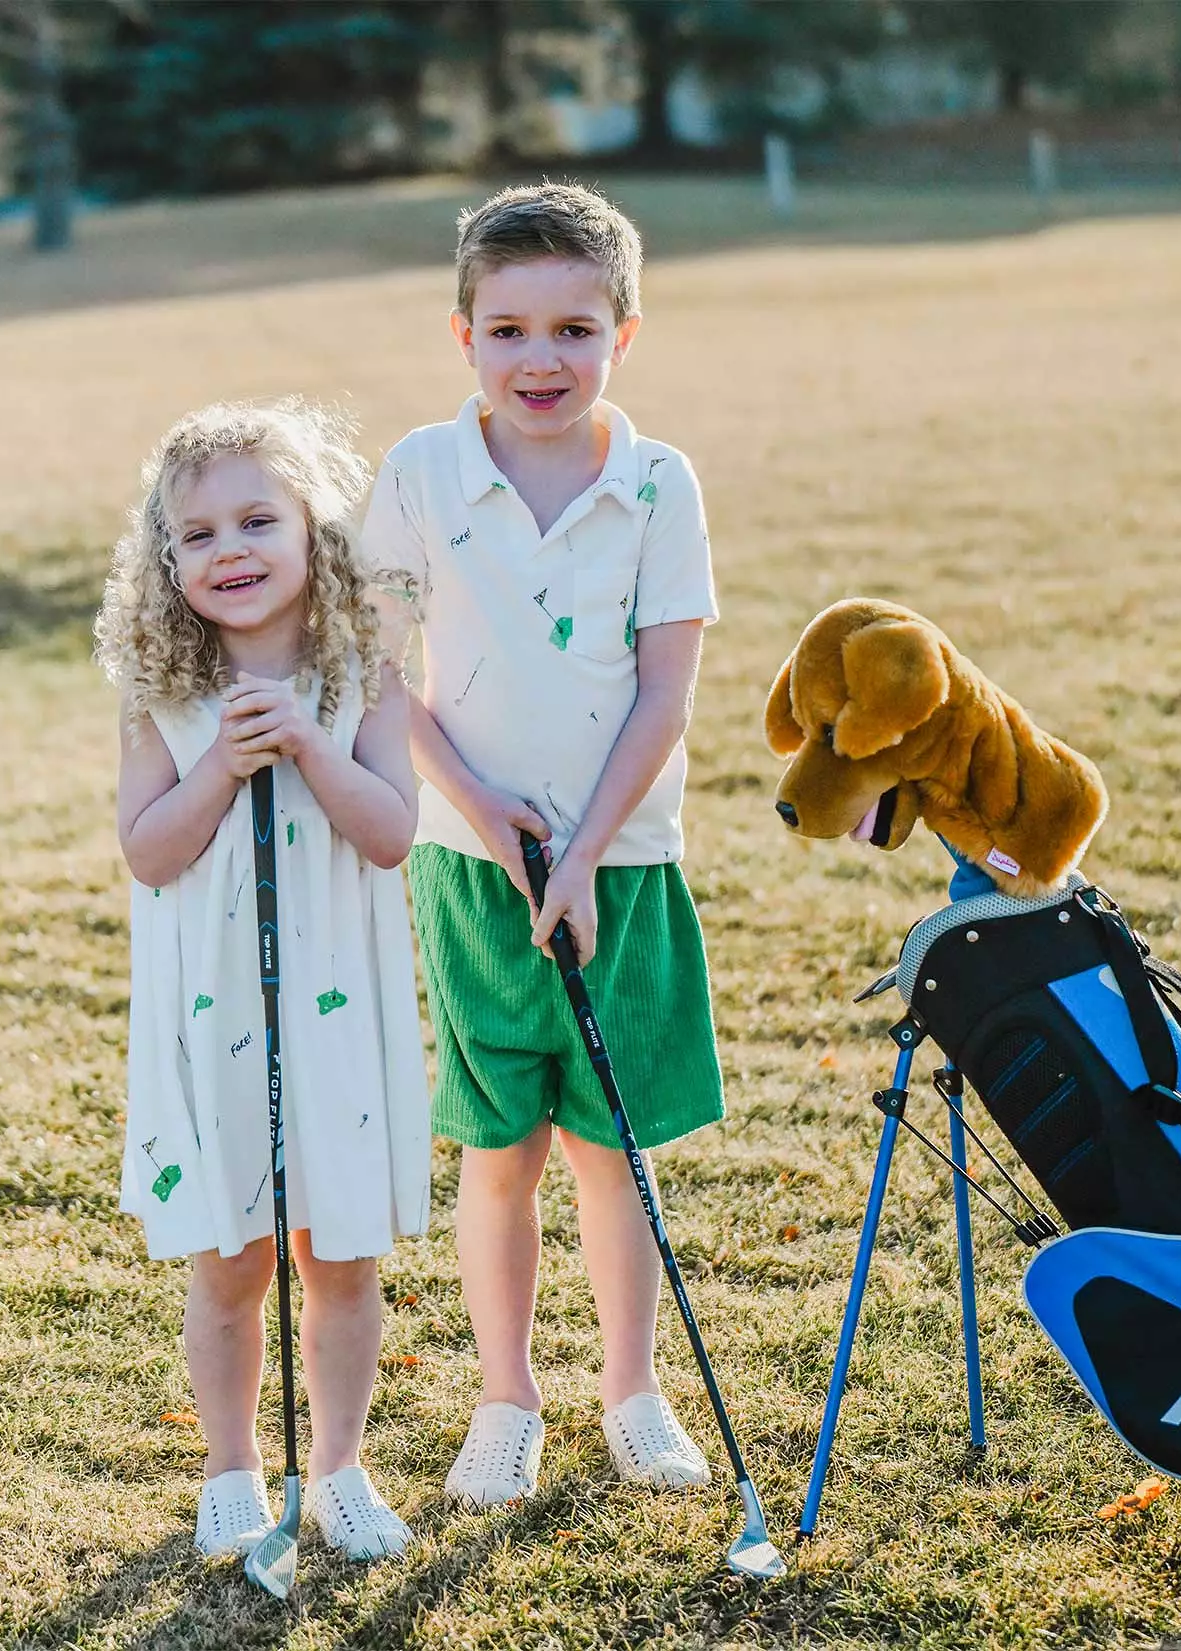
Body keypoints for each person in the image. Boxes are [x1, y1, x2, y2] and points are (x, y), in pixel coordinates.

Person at [361, 182, 725, 1508]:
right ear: (461, 334)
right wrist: (476, 804)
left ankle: (631, 1388)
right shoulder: (418, 473)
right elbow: (373, 661)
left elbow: (664, 693)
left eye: (573, 328)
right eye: (507, 329)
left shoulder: (656, 481)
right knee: (500, 1146)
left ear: (622, 333)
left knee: (609, 1146)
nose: (540, 359)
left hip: (622, 866)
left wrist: (576, 859)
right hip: (470, 871)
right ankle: (503, 1394)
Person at [95, 400, 430, 1563]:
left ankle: (338, 1465)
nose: (228, 551)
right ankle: (231, 1466)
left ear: (312, 532)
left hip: (336, 1007)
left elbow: (389, 833)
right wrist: (225, 764)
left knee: (339, 1254)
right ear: (165, 559)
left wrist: (305, 742)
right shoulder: (160, 688)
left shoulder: (363, 673)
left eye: (255, 520)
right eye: (196, 535)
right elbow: (147, 851)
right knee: (230, 1259)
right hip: (214, 1008)